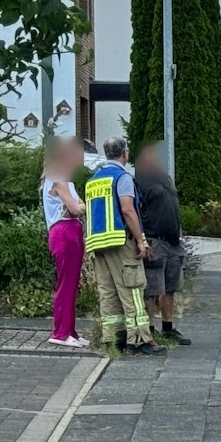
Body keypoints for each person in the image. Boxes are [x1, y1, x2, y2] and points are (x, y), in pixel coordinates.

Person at [84, 138, 164, 357]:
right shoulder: (122, 177)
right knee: (133, 290)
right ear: (124, 154)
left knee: (108, 292)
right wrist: (140, 240)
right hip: (121, 242)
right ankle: (140, 339)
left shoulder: (94, 179)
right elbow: (128, 210)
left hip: (98, 244)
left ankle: (114, 339)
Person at [132, 146, 190, 346]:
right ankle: (148, 329)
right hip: (154, 239)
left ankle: (168, 327)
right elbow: (134, 211)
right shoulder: (139, 182)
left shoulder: (166, 179)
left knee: (170, 287)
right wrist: (141, 239)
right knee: (152, 287)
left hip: (172, 241)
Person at [40, 138, 89, 348]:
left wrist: (78, 207)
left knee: (71, 283)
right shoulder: (58, 178)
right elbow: (77, 208)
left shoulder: (65, 181)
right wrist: (77, 207)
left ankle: (69, 330)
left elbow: (79, 206)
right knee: (66, 284)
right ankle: (61, 332)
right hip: (64, 232)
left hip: (70, 231)